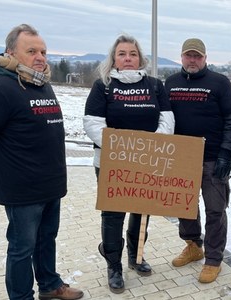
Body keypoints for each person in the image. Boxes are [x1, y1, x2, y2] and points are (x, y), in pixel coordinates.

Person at [0, 24, 84, 300]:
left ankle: (50, 286)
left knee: (46, 239)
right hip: (21, 189)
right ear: (10, 53)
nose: (40, 56)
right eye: (31, 51)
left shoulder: (40, 83)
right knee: (21, 247)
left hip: (50, 183)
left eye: (43, 51)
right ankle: (21, 296)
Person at [83, 34, 174, 293]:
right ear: (114, 58)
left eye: (132, 53)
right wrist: (123, 149)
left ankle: (136, 256)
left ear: (140, 58)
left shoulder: (155, 85)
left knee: (142, 209)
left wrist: (150, 147)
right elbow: (92, 122)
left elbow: (166, 120)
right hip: (112, 162)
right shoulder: (104, 86)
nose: (128, 58)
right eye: (122, 53)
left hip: (147, 162)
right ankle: (113, 265)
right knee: (113, 214)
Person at [164, 38, 231, 283]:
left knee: (215, 209)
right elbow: (163, 118)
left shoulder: (219, 83)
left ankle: (214, 258)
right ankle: (193, 245)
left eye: (197, 56)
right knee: (183, 206)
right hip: (181, 158)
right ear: (182, 57)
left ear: (205, 58)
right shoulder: (171, 83)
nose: (193, 60)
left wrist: (226, 153)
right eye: (189, 55)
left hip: (212, 158)